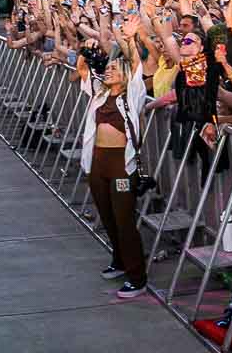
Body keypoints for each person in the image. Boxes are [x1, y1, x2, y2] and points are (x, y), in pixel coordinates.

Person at [75, 33, 151, 301]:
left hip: (121, 166)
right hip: (97, 164)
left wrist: (129, 40)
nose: (107, 70)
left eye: (113, 68)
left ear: (126, 73)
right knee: (107, 217)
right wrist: (85, 48)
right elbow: (82, 69)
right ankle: (119, 261)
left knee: (124, 221)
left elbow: (136, 63)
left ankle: (137, 278)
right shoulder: (99, 94)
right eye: (106, 67)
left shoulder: (132, 95)